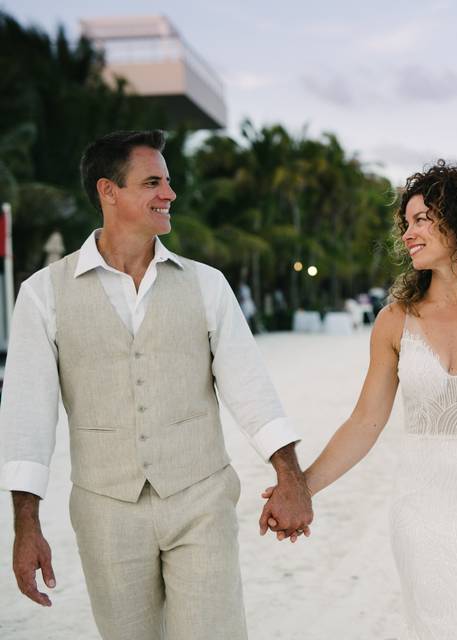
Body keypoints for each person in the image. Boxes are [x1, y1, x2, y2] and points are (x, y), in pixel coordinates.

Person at [0, 130, 313, 639]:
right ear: (108, 191)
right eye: (152, 182)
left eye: (167, 181)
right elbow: (27, 417)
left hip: (200, 501)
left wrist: (291, 476)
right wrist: (26, 525)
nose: (169, 194)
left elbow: (250, 386)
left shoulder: (206, 283)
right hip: (106, 511)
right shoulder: (42, 295)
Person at [262, 161, 457, 638]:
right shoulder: (394, 321)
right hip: (421, 513)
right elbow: (365, 422)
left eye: (421, 220)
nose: (408, 234)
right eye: (405, 223)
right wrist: (302, 487)